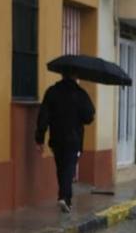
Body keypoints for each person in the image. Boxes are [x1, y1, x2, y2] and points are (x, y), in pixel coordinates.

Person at [35, 72, 95, 213]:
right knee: (69, 168)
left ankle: (67, 200)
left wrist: (39, 138)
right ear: (75, 76)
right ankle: (63, 196)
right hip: (74, 138)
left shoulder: (51, 92)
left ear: (62, 75)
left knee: (61, 167)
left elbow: (43, 116)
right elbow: (89, 116)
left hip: (56, 138)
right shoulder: (80, 94)